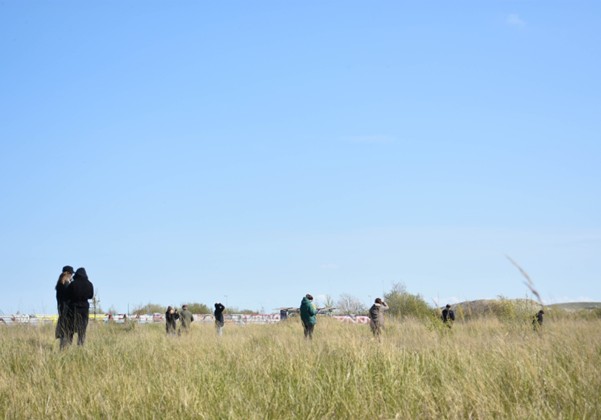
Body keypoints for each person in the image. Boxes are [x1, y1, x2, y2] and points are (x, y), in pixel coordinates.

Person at [64, 267, 94, 347]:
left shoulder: (73, 284)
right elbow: (91, 296)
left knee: (70, 330)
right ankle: (80, 346)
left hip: (73, 309)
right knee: (82, 330)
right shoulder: (89, 284)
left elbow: (67, 295)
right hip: (84, 310)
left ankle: (68, 346)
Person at [55, 265, 74, 349]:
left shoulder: (59, 285)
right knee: (66, 333)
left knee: (63, 333)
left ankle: (63, 349)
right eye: (71, 274)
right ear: (68, 274)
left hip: (61, 311)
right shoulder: (66, 285)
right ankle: (64, 350)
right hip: (66, 311)